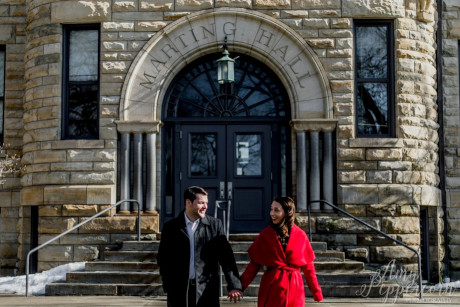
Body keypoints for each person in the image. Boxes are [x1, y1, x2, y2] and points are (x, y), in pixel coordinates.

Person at [157, 186, 244, 307]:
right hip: (178, 291)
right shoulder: (171, 228)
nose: (205, 207)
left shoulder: (215, 225)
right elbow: (163, 258)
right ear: (188, 202)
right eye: (201, 203)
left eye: (206, 203)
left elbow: (226, 258)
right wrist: (168, 285)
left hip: (206, 291)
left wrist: (234, 286)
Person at [240, 196, 323, 306]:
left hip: (294, 288)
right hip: (271, 287)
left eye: (276, 210)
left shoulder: (300, 235)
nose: (272, 213)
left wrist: (316, 292)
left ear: (287, 212)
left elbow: (309, 268)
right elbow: (253, 266)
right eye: (271, 209)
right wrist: (239, 287)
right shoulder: (266, 235)